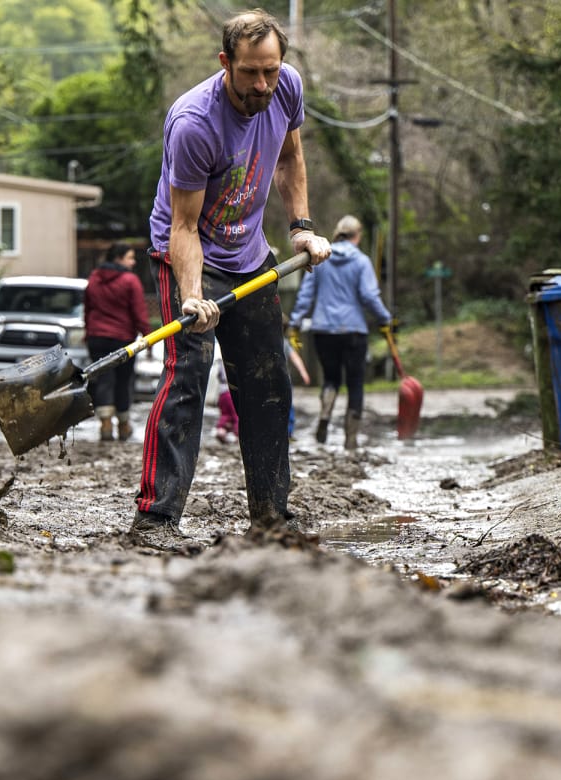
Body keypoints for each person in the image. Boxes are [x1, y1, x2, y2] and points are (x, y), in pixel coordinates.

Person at [131, 8, 331, 550]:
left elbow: (290, 159)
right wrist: (193, 297)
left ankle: (271, 516)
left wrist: (302, 229)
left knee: (268, 384)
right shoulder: (194, 123)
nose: (262, 85)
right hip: (187, 252)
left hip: (251, 253)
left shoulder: (286, 88)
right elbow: (185, 225)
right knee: (188, 378)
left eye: (270, 70)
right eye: (250, 73)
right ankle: (155, 519)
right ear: (226, 63)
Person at [287, 214, 391, 450]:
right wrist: (385, 319)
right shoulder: (362, 261)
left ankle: (325, 412)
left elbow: (306, 295)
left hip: (323, 330)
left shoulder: (321, 257)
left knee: (331, 378)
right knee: (355, 384)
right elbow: (369, 296)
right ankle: (351, 439)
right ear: (357, 235)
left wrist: (295, 321)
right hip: (354, 330)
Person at [83, 242, 151, 441]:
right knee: (123, 380)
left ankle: (105, 425)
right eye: (130, 257)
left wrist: (88, 333)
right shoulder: (130, 281)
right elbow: (139, 312)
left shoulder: (94, 278)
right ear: (118, 258)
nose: (133, 261)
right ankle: (123, 425)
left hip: (96, 338)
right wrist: (148, 335)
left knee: (103, 379)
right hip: (122, 339)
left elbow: (88, 308)